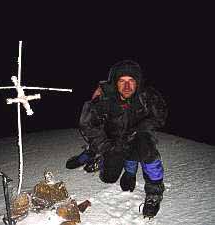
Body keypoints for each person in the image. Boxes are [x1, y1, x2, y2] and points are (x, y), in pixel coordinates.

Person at [66, 60, 168, 218]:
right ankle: (90, 155)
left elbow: (160, 116)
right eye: (122, 81)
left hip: (135, 138)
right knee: (109, 177)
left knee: (145, 144)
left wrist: (140, 128)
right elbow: (88, 125)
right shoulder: (105, 98)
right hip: (111, 141)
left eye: (131, 81)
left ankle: (154, 192)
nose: (127, 86)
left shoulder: (147, 95)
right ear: (115, 83)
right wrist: (106, 148)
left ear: (138, 82)